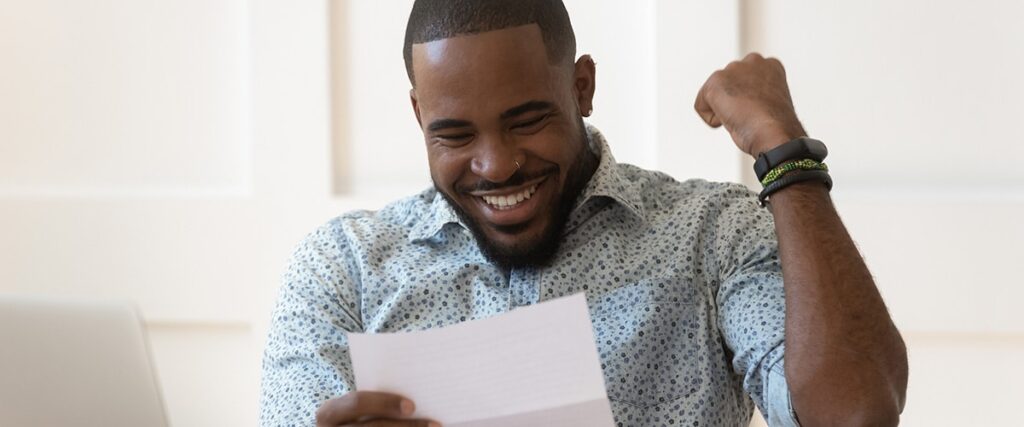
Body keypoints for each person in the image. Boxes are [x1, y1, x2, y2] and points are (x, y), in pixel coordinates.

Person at [259, 1, 908, 426]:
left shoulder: (713, 236)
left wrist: (786, 153)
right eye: (455, 135)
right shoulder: (343, 270)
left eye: (527, 120)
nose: (496, 165)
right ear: (418, 115)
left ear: (582, 87)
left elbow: (854, 415)